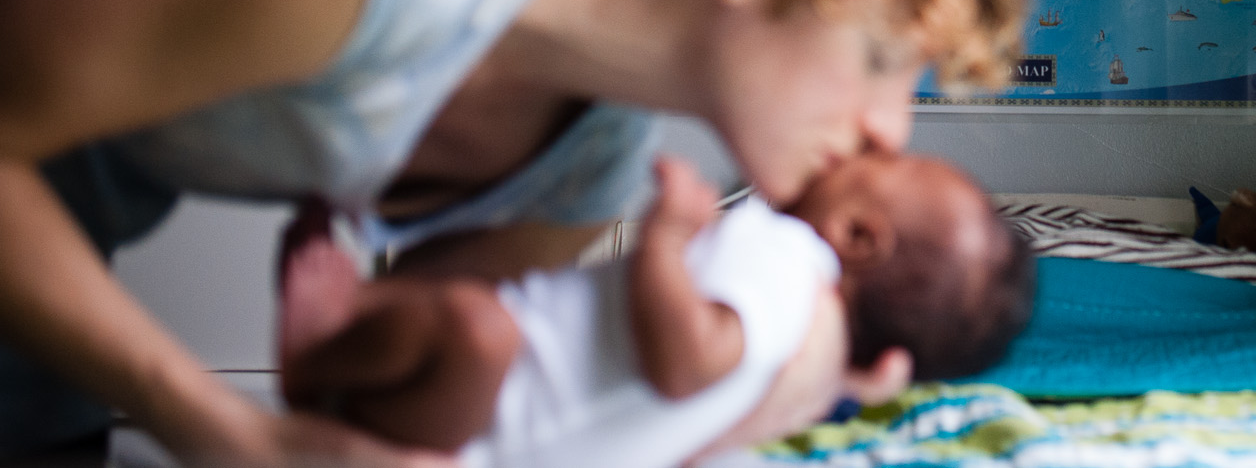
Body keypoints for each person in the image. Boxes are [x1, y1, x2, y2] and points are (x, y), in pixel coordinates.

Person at [0, 0, 1025, 464]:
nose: (888, 129)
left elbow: (379, 379)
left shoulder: (588, 165)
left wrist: (766, 397)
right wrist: (211, 420)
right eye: (885, 53)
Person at [278, 153, 1035, 464]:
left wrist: (667, 238)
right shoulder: (809, 353)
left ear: (859, 236)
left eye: (882, 164)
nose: (859, 147)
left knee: (476, 327)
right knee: (472, 323)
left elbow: (686, 364)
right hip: (483, 439)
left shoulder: (786, 258)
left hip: (478, 400)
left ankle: (314, 349)